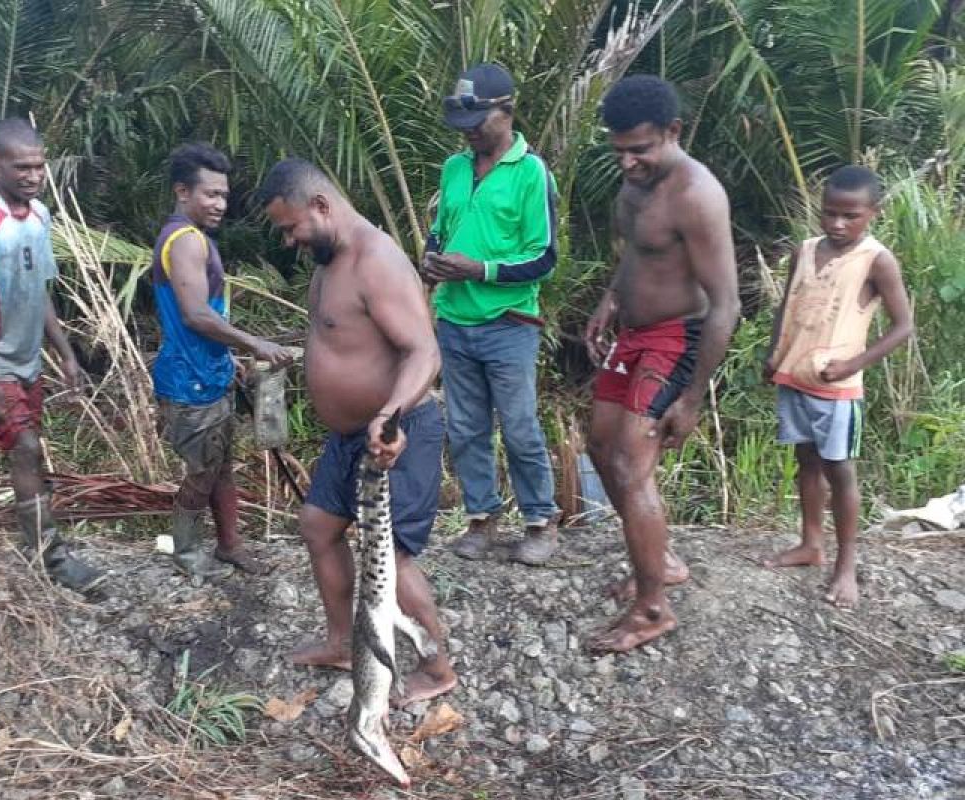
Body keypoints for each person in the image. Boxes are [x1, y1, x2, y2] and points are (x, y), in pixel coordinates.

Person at [260, 158, 457, 705]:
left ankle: (438, 669)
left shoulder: (377, 261)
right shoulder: (329, 260)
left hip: (397, 434)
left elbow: (424, 350)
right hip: (348, 439)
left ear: (321, 206)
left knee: (391, 557)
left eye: (290, 226)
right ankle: (343, 643)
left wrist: (390, 414)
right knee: (319, 526)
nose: (289, 239)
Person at [584, 76, 740, 652]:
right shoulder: (635, 185)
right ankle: (662, 559)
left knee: (630, 462)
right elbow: (634, 253)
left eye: (641, 149)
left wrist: (693, 397)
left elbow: (726, 304)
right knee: (599, 446)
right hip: (633, 331)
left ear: (674, 132)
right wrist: (610, 301)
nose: (627, 162)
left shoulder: (697, 194)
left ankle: (652, 610)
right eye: (618, 149)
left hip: (677, 337)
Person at [0, 118, 102, 592]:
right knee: (25, 448)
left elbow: (41, 291)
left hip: (28, 358)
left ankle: (39, 535)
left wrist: (67, 354)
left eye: (39, 166)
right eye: (22, 167)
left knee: (28, 450)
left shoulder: (39, 216)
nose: (34, 176)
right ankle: (51, 558)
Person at [422, 63, 561, 566]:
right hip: (454, 321)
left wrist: (479, 269)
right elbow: (440, 230)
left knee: (520, 426)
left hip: (509, 323)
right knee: (465, 428)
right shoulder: (454, 168)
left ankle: (540, 522)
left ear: (507, 111)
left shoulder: (530, 173)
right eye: (463, 123)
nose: (470, 131)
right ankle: (481, 520)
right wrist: (432, 259)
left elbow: (543, 258)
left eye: (478, 120)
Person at [763, 166, 913, 608]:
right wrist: (773, 353)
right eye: (829, 213)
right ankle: (810, 544)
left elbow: (903, 326)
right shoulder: (805, 250)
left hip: (838, 387)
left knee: (840, 470)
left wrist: (852, 364)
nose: (837, 224)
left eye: (851, 216)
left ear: (873, 213)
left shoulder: (875, 259)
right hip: (794, 376)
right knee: (805, 459)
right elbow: (786, 306)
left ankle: (845, 567)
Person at [151, 143, 292, 579]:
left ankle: (230, 544)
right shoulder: (185, 241)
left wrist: (227, 355)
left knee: (220, 467)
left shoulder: (195, 240)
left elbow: (199, 315)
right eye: (210, 194)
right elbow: (195, 314)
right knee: (201, 471)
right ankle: (186, 551)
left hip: (207, 373)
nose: (219, 204)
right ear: (182, 192)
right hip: (189, 380)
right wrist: (254, 343)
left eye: (224, 195)